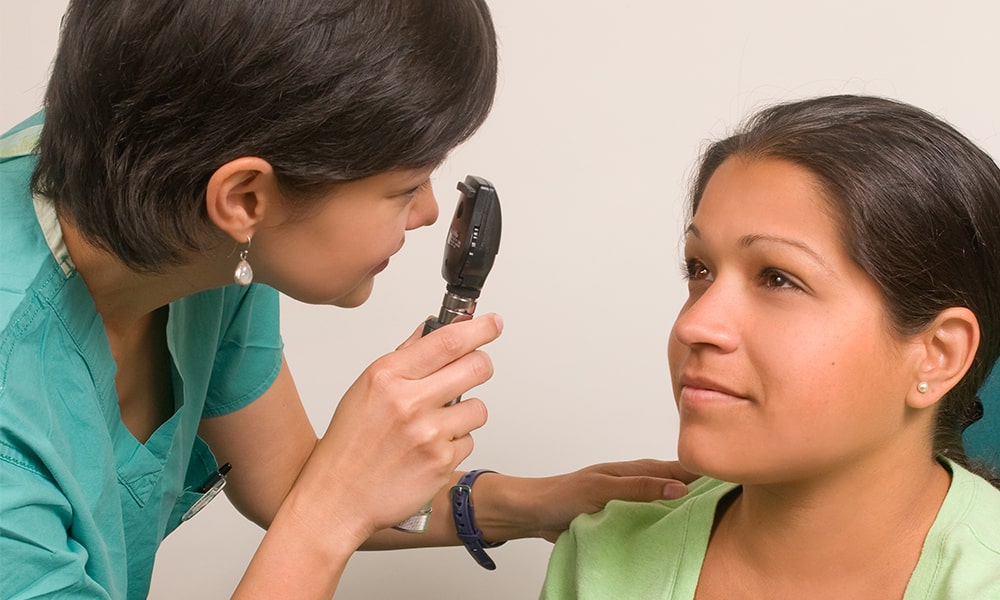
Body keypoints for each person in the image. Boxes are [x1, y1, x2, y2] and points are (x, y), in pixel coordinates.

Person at [0, 1, 694, 598]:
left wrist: (539, 505)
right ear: (245, 198)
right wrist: (335, 505)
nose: (425, 212)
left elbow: (286, 482)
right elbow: (318, 500)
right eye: (403, 187)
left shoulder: (188, 221)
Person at [541, 95, 1000, 599]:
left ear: (939, 353)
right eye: (700, 270)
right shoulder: (601, 558)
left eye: (778, 278)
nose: (696, 324)